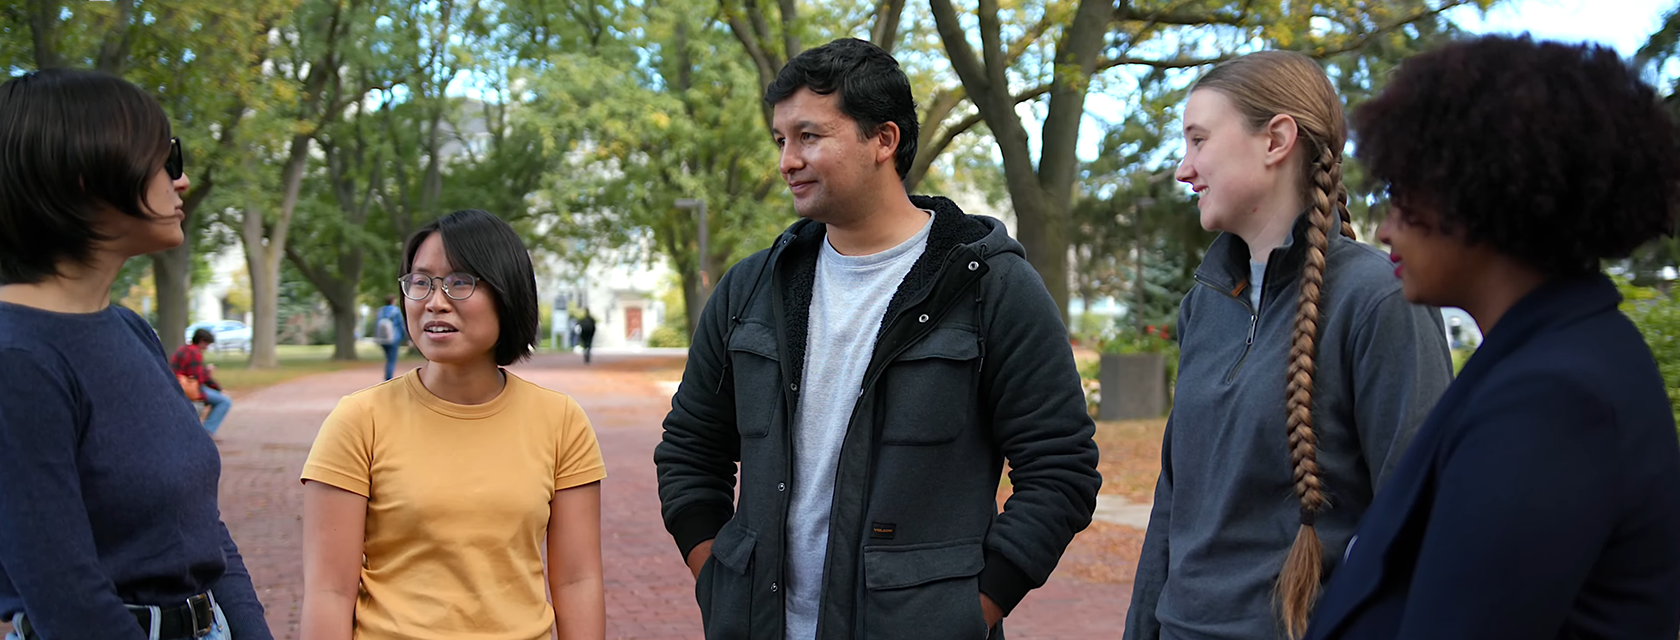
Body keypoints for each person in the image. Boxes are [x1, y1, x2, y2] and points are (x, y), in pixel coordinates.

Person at [655, 38, 1102, 640]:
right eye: (780, 140)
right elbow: (689, 450)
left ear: (883, 140)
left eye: (809, 136)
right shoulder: (749, 289)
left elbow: (1061, 470)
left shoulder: (991, 287)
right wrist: (717, 580)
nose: (787, 160)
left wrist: (970, 613)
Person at [1305, 35, 1680, 640]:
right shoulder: (1548, 357)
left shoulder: (1557, 397)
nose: (1386, 226)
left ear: (1482, 192)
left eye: (1403, 195)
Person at [1124, 51, 1454, 640]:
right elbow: (1174, 504)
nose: (1183, 168)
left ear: (1276, 139)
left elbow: (1420, 526)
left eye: (1198, 140)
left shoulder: (1378, 302)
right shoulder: (1206, 304)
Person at [0, 69, 271, 640]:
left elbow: (198, 525)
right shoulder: (17, 360)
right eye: (166, 159)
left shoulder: (130, 330)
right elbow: (68, 604)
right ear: (83, 175)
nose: (183, 180)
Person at [300, 209, 606, 640]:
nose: (435, 300)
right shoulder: (358, 420)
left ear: (507, 293)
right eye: (421, 281)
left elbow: (578, 580)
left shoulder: (561, 421)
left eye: (460, 281)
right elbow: (329, 591)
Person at [171, 328, 234, 435]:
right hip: (190, 389)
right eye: (207, 344)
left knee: (219, 398)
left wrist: (205, 372)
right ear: (202, 341)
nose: (207, 347)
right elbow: (199, 378)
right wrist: (218, 389)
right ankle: (207, 431)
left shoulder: (182, 349)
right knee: (225, 402)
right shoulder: (195, 353)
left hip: (178, 385)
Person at [374, 294, 406, 380]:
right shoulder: (396, 311)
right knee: (392, 360)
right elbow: (400, 325)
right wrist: (406, 338)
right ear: (393, 301)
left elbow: (377, 324)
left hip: (383, 339)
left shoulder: (381, 311)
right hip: (394, 338)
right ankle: (388, 378)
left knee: (388, 359)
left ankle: (387, 376)